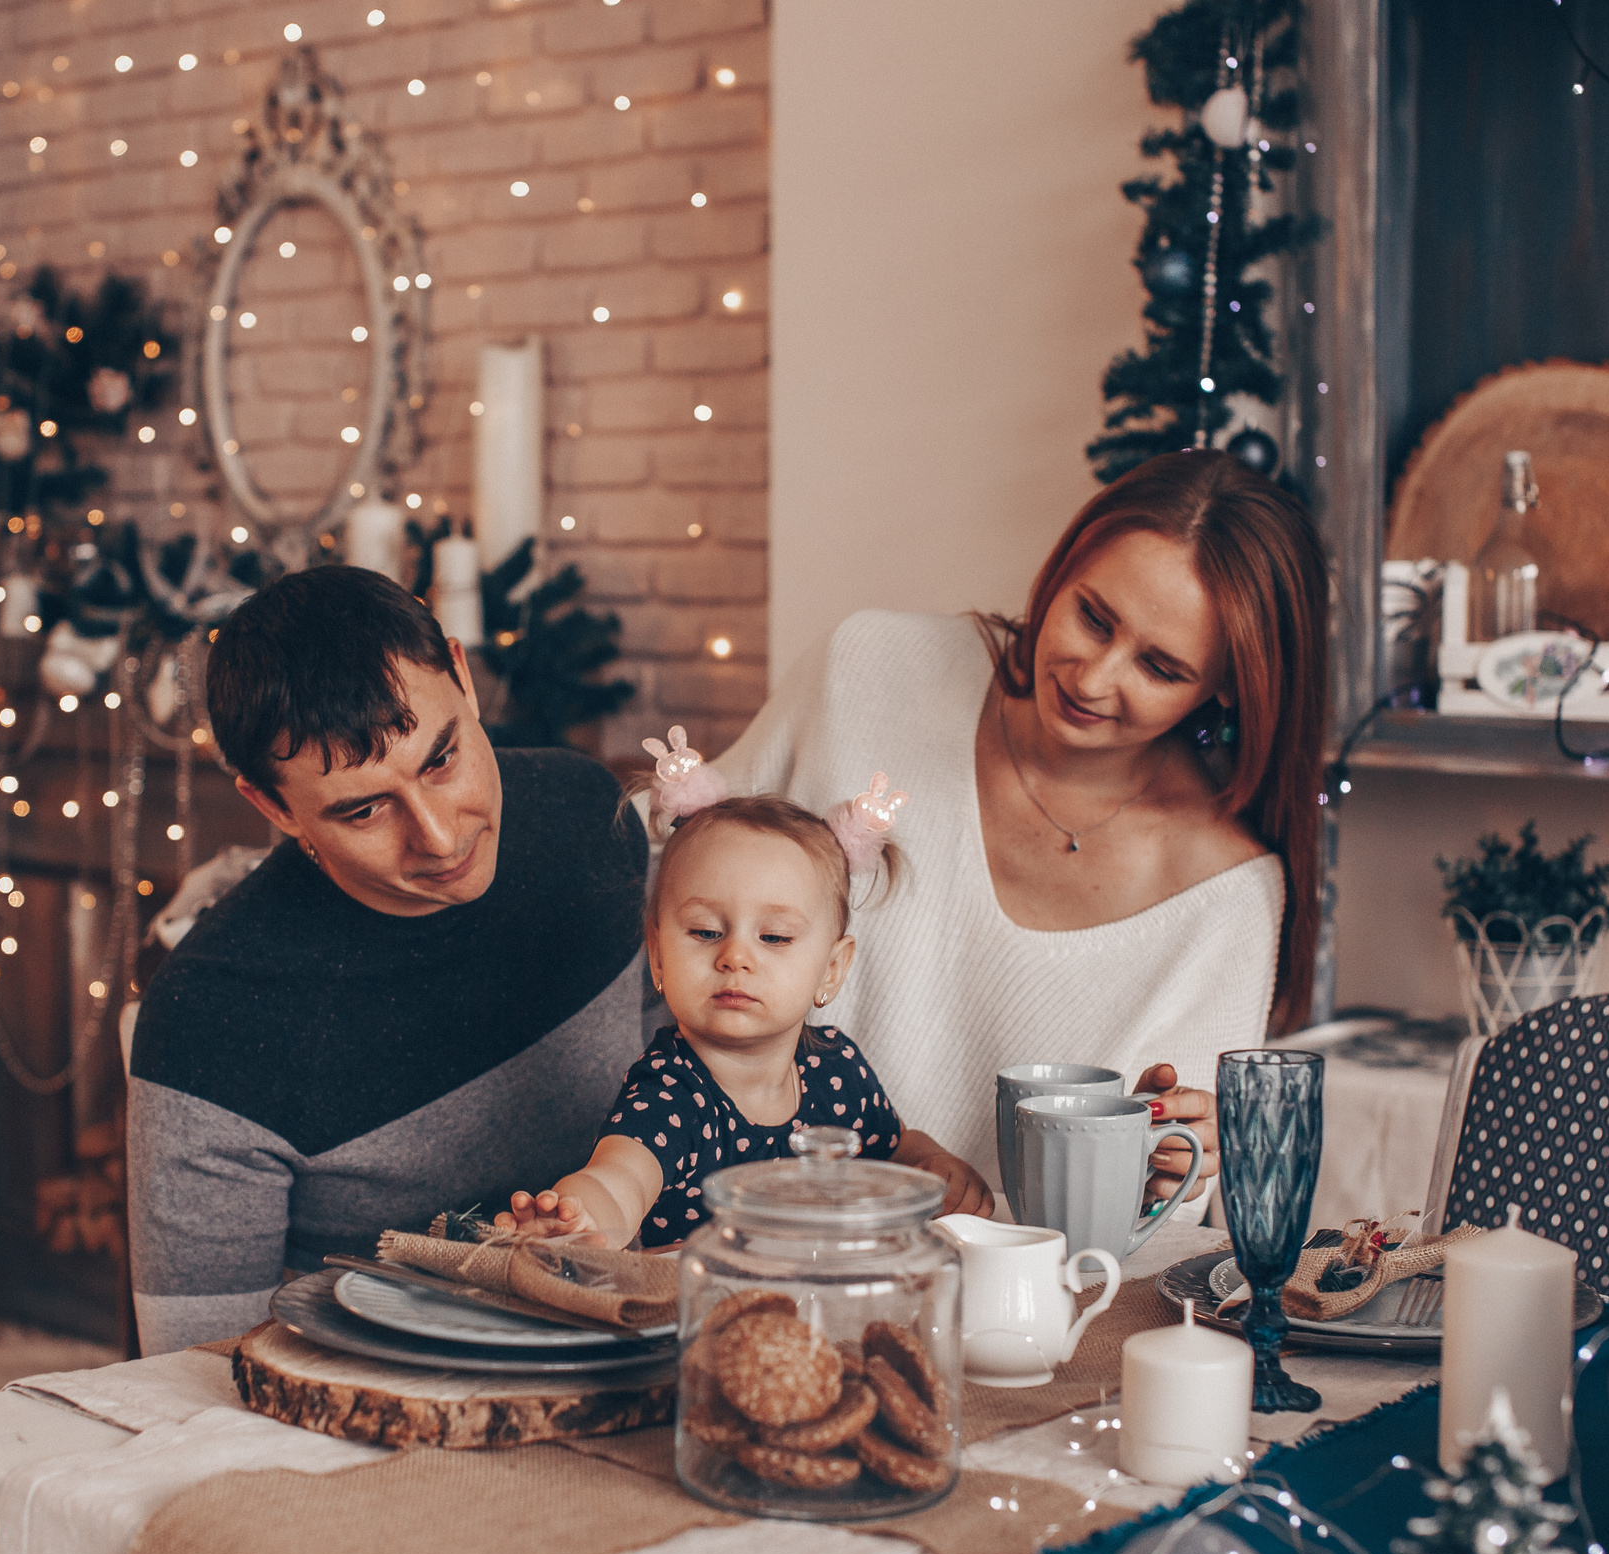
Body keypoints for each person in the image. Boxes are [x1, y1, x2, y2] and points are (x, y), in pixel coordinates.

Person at [714, 449, 1329, 1205]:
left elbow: (1162, 1211)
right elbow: (679, 857)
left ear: (1227, 688)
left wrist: (1168, 1167)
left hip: (1014, 1272)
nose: (1093, 678)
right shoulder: (869, 667)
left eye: (1160, 668)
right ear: (1061, 568)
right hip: (757, 1220)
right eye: (1092, 617)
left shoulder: (1224, 893)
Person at [124, 567, 648, 1353]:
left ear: (463, 678)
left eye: (441, 760)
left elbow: (682, 1092)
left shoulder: (590, 820)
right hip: (368, 1395)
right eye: (365, 809)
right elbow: (195, 1372)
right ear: (273, 806)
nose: (440, 836)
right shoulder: (210, 1022)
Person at [497, 792, 992, 1249]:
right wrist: (578, 1217)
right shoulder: (670, 1093)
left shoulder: (838, 1070)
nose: (735, 956)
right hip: (705, 1308)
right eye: (706, 931)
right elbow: (618, 1180)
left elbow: (898, 1146)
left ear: (831, 970)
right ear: (659, 957)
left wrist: (939, 1165)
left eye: (774, 937)